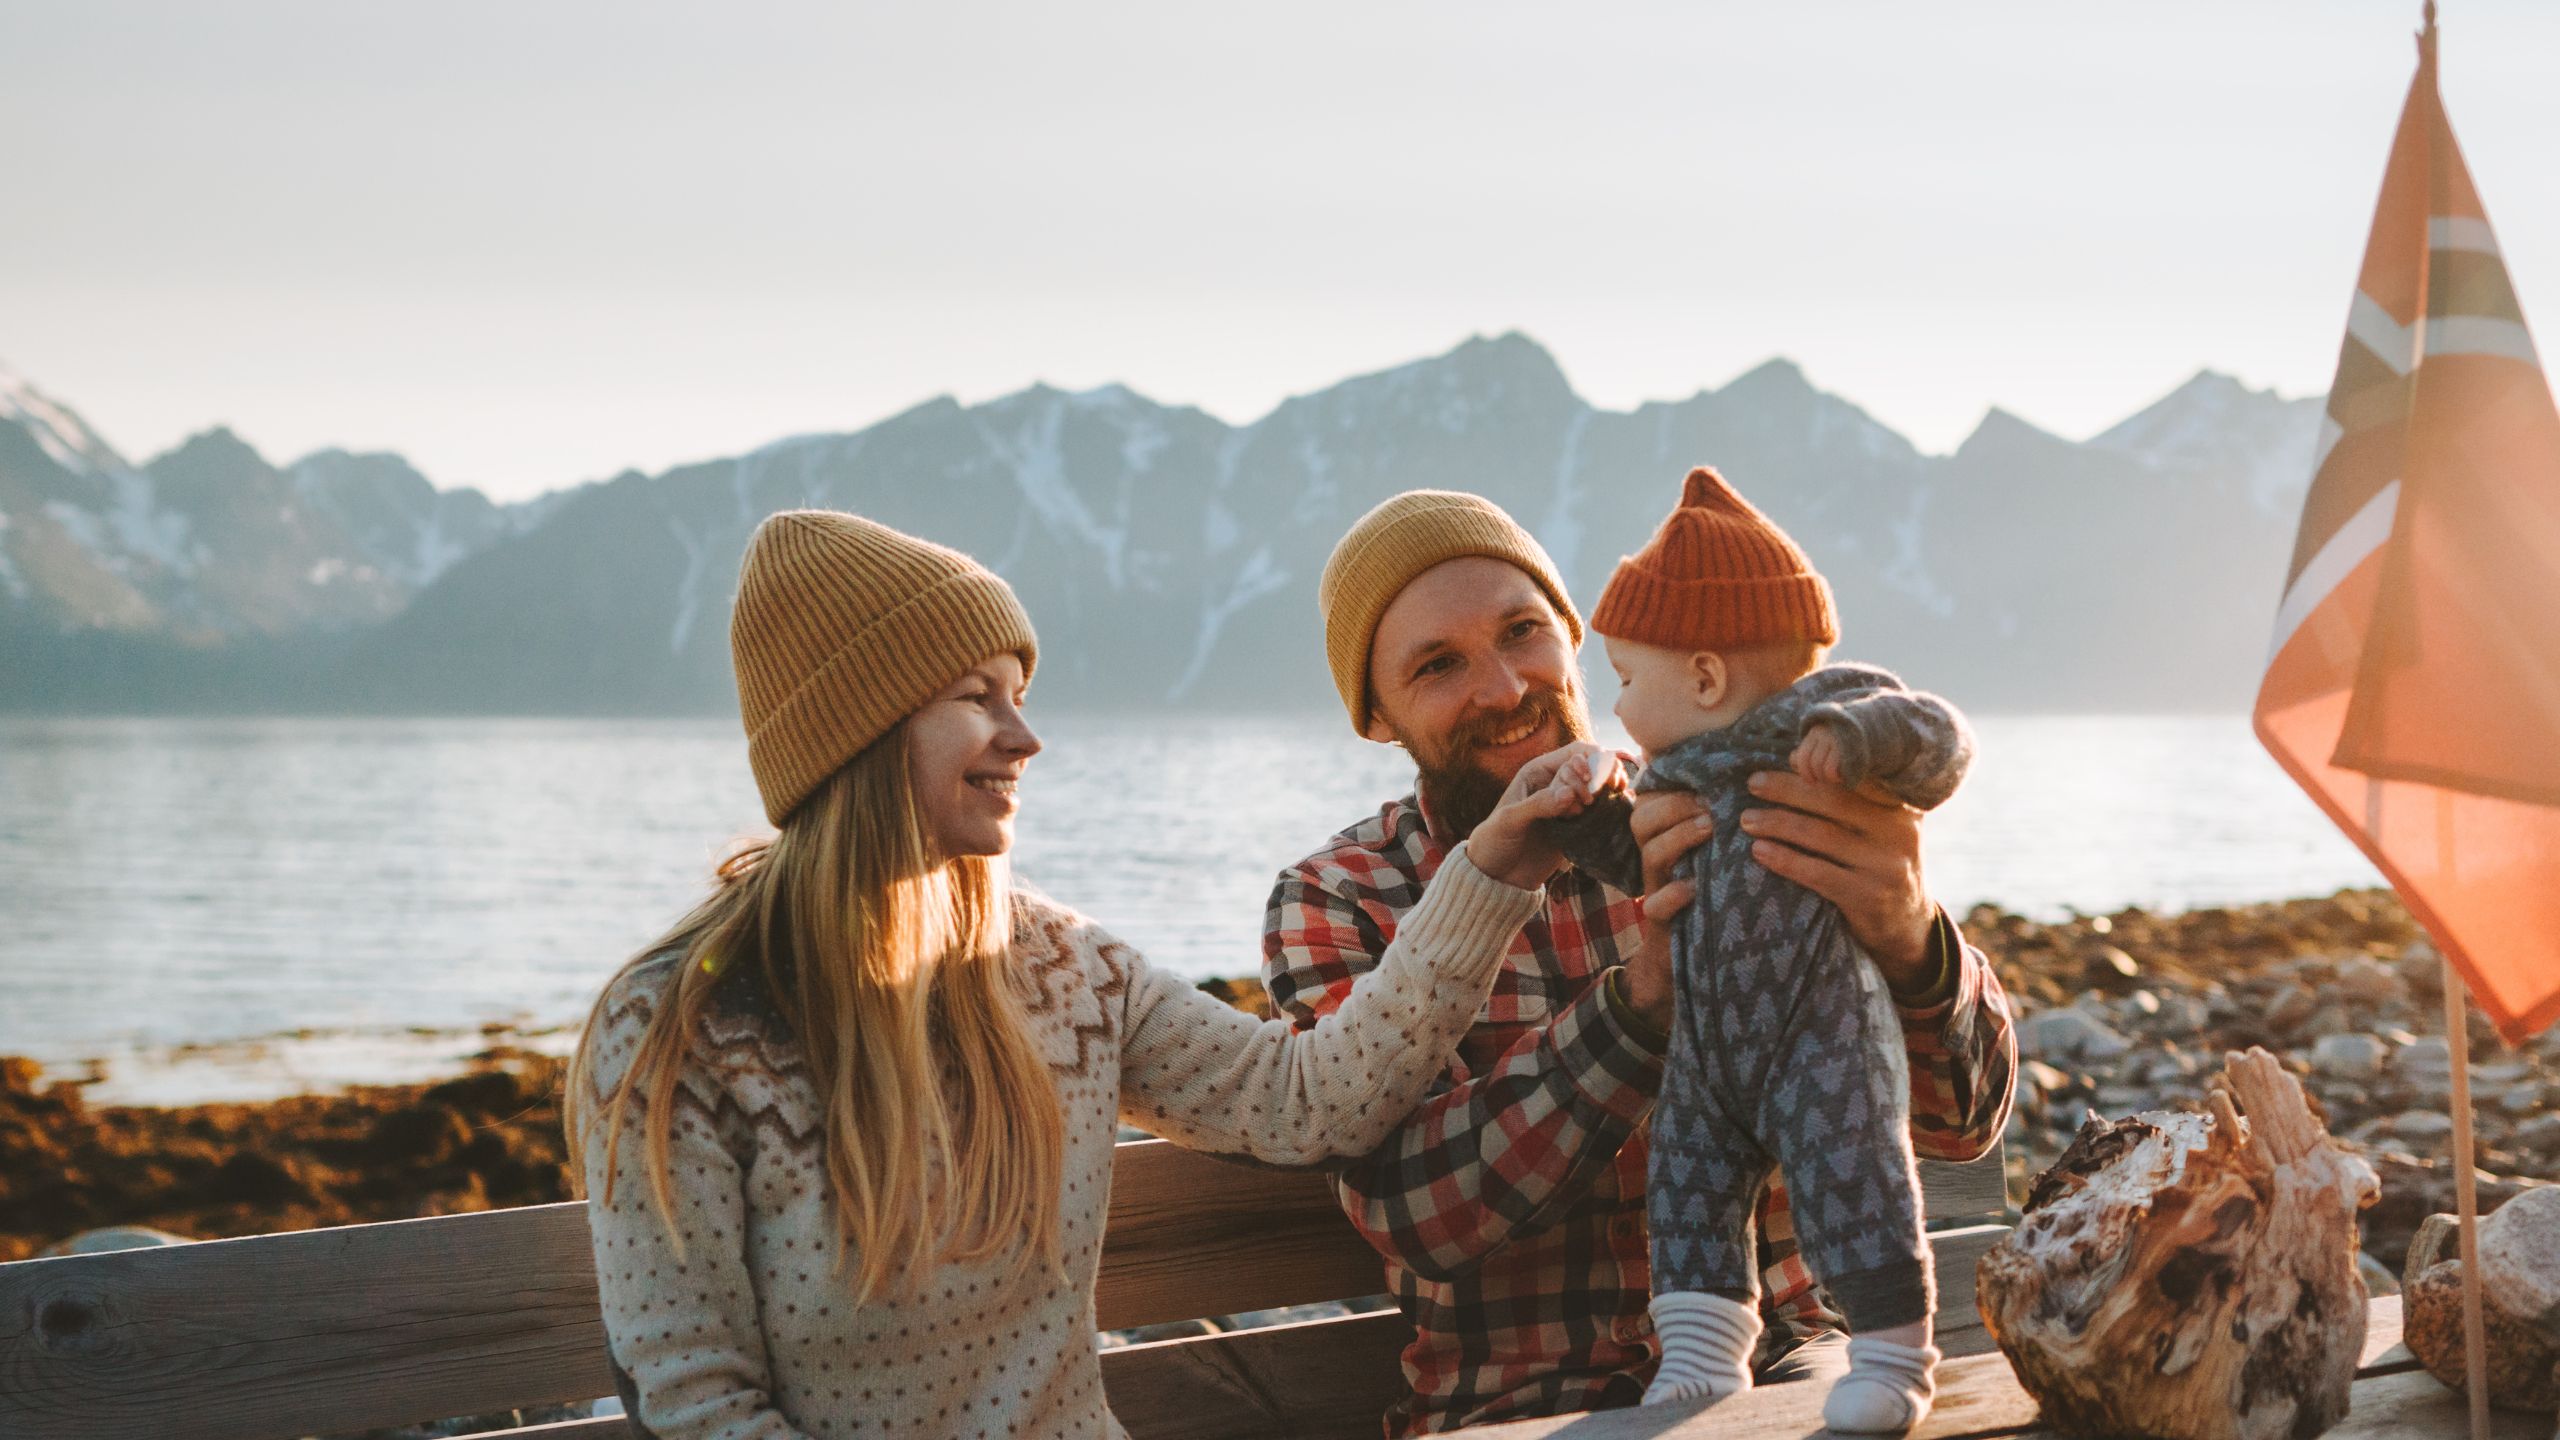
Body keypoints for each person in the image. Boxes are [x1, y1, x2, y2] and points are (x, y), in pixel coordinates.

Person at [566, 509, 1610, 1440]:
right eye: (980, 698)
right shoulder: (675, 1027)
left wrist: (1488, 870)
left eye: (1018, 696)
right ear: (863, 731)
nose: (1026, 737)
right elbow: (694, 1400)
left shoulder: (1061, 969)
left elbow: (1308, 1103)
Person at [1261, 488, 2017, 1435]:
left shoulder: (1741, 798)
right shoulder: (1343, 898)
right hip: (1519, 1409)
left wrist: (1907, 932)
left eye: (1523, 630)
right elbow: (1413, 1211)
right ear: (1378, 714)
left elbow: (1966, 1124)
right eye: (1439, 664)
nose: (1503, 687)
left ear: (1576, 635)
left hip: (1791, 1366)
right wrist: (1641, 1009)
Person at [1546, 466, 1975, 1432]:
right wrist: (1582, 816)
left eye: (1623, 679)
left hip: (1817, 1035)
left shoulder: (1824, 721)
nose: (1611, 707)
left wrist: (1858, 742)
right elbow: (1640, 862)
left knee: (1854, 1172)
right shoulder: (1672, 779)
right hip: (1706, 1057)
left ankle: (1895, 1360)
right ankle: (1699, 1361)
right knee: (1687, 1189)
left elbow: (1937, 739)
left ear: (1703, 676)